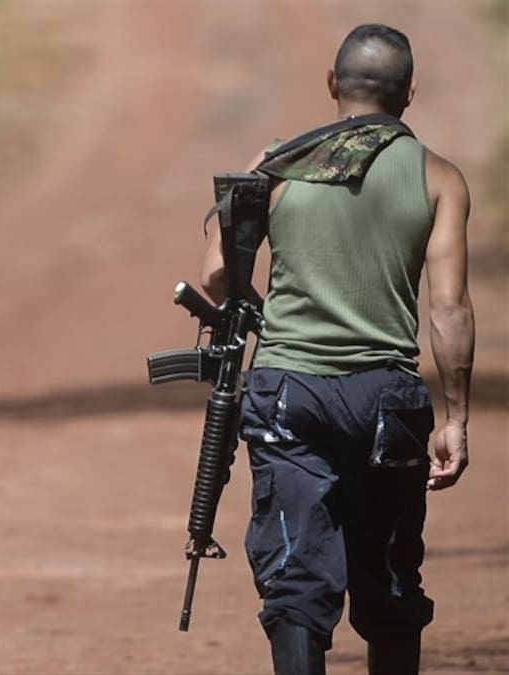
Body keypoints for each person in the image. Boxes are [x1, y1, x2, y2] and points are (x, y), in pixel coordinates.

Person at [198, 24, 475, 675]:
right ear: (409, 92)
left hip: (287, 394)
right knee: (391, 583)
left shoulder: (278, 163)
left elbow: (213, 278)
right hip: (386, 400)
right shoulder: (440, 179)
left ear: (332, 84)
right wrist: (456, 417)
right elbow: (449, 310)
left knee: (296, 580)